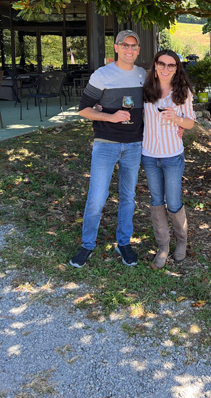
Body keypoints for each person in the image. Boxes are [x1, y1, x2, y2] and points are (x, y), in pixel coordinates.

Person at [69, 30, 145, 268]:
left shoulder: (143, 75)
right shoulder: (102, 75)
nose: (129, 49)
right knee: (97, 197)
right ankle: (87, 245)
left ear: (138, 50)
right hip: (106, 143)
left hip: (134, 144)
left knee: (128, 197)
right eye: (125, 45)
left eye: (134, 46)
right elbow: (83, 110)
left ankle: (123, 243)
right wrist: (109, 117)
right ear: (116, 47)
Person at [141, 49, 195, 268]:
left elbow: (190, 123)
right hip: (149, 155)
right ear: (155, 65)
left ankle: (181, 242)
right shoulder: (145, 90)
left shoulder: (183, 93)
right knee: (156, 201)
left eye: (170, 65)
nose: (165, 68)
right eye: (161, 64)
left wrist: (177, 118)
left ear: (176, 68)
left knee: (173, 202)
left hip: (172, 156)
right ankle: (163, 246)